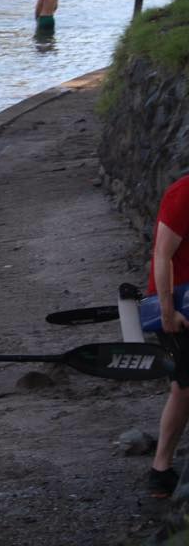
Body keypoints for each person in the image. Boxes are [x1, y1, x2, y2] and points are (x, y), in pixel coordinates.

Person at [146, 174, 189, 498]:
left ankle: (162, 470)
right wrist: (166, 312)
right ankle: (160, 470)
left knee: (184, 387)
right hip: (176, 305)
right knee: (185, 386)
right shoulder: (183, 193)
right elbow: (162, 254)